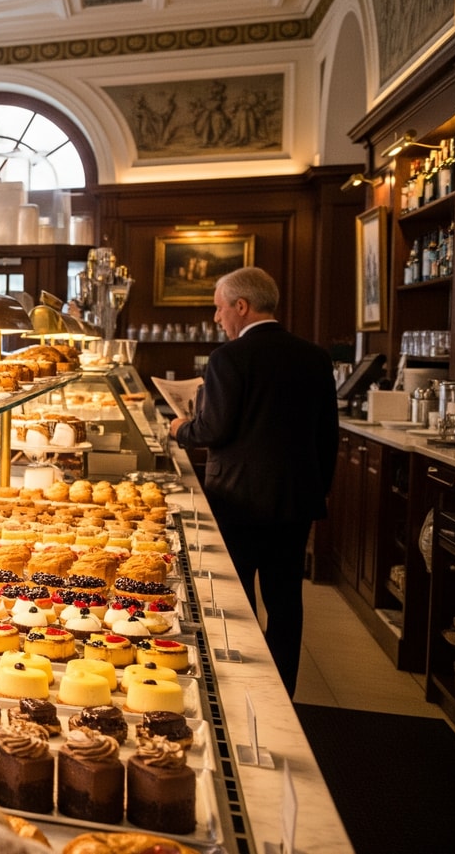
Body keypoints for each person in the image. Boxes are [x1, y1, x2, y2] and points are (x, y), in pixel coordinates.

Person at [169, 266, 337, 696]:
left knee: (235, 601)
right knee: (285, 603)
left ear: (241, 306)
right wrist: (315, 490)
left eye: (220, 308)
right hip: (294, 501)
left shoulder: (229, 358)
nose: (217, 318)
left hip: (238, 500)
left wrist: (180, 429)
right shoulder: (314, 356)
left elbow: (214, 430)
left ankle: (238, 689)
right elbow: (327, 436)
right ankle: (283, 692)